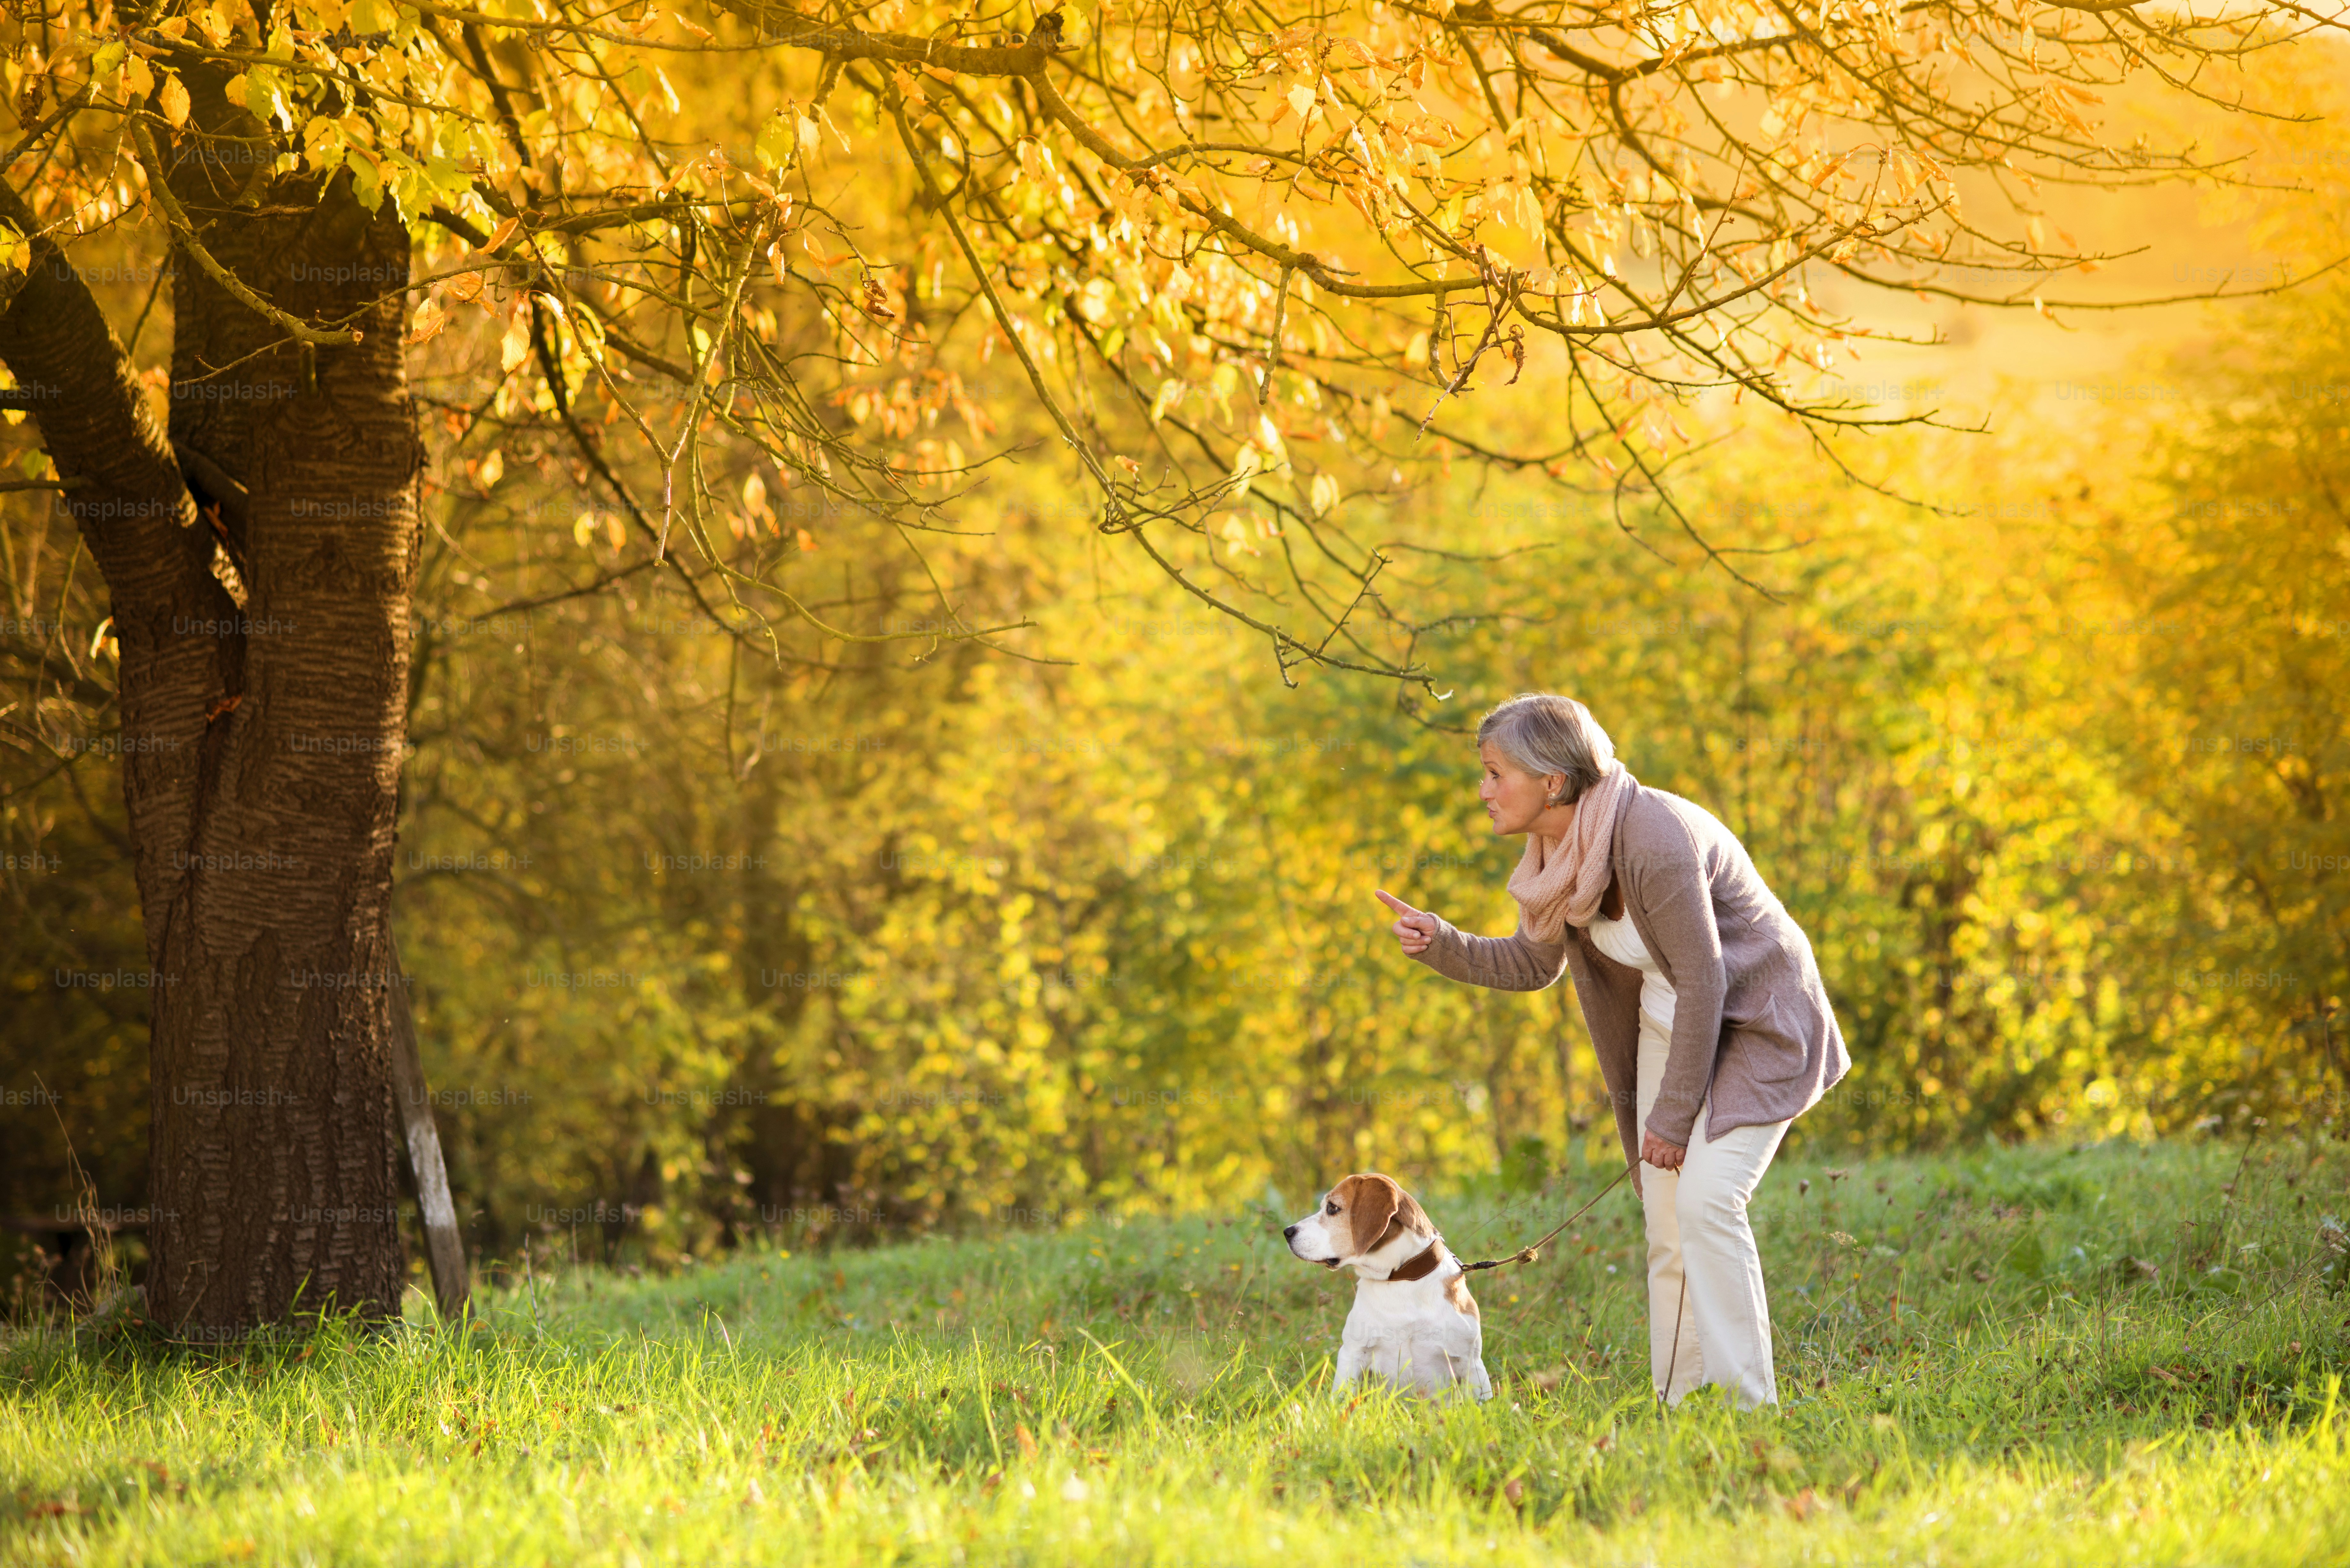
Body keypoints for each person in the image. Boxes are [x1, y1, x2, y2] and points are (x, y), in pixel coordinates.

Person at [1375, 692, 1847, 1408]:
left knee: (1709, 1200)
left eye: (1494, 772)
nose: (1481, 790)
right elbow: (1533, 965)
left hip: (1755, 1021)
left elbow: (1706, 976)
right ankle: (1682, 1399)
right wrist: (1440, 941)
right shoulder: (1558, 852)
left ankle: (1749, 1406)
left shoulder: (1649, 837)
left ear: (1552, 782)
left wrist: (1670, 1114)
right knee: (1665, 1218)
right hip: (1677, 1022)